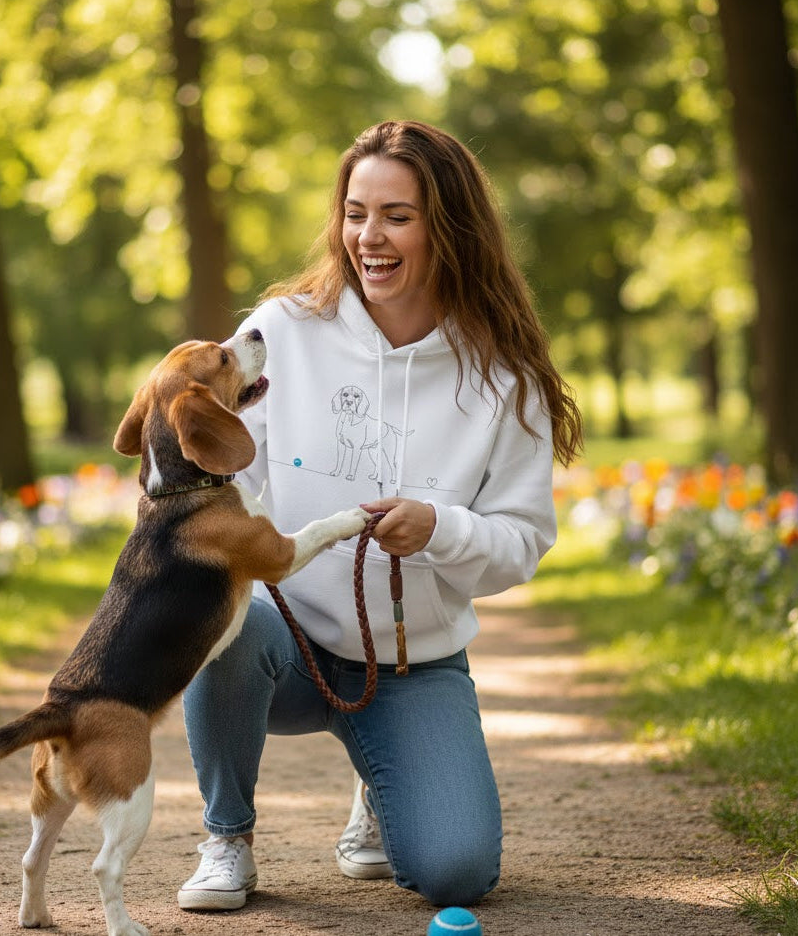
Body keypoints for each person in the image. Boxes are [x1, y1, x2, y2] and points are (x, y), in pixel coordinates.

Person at [176, 120, 582, 912]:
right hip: (282, 643)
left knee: (458, 873)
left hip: (409, 666)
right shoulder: (281, 335)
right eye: (355, 212)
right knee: (217, 615)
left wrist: (440, 528)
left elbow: (522, 542)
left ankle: (379, 786)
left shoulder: (505, 374)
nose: (369, 236)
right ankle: (227, 835)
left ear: (450, 227)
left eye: (398, 215)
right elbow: (208, 462)